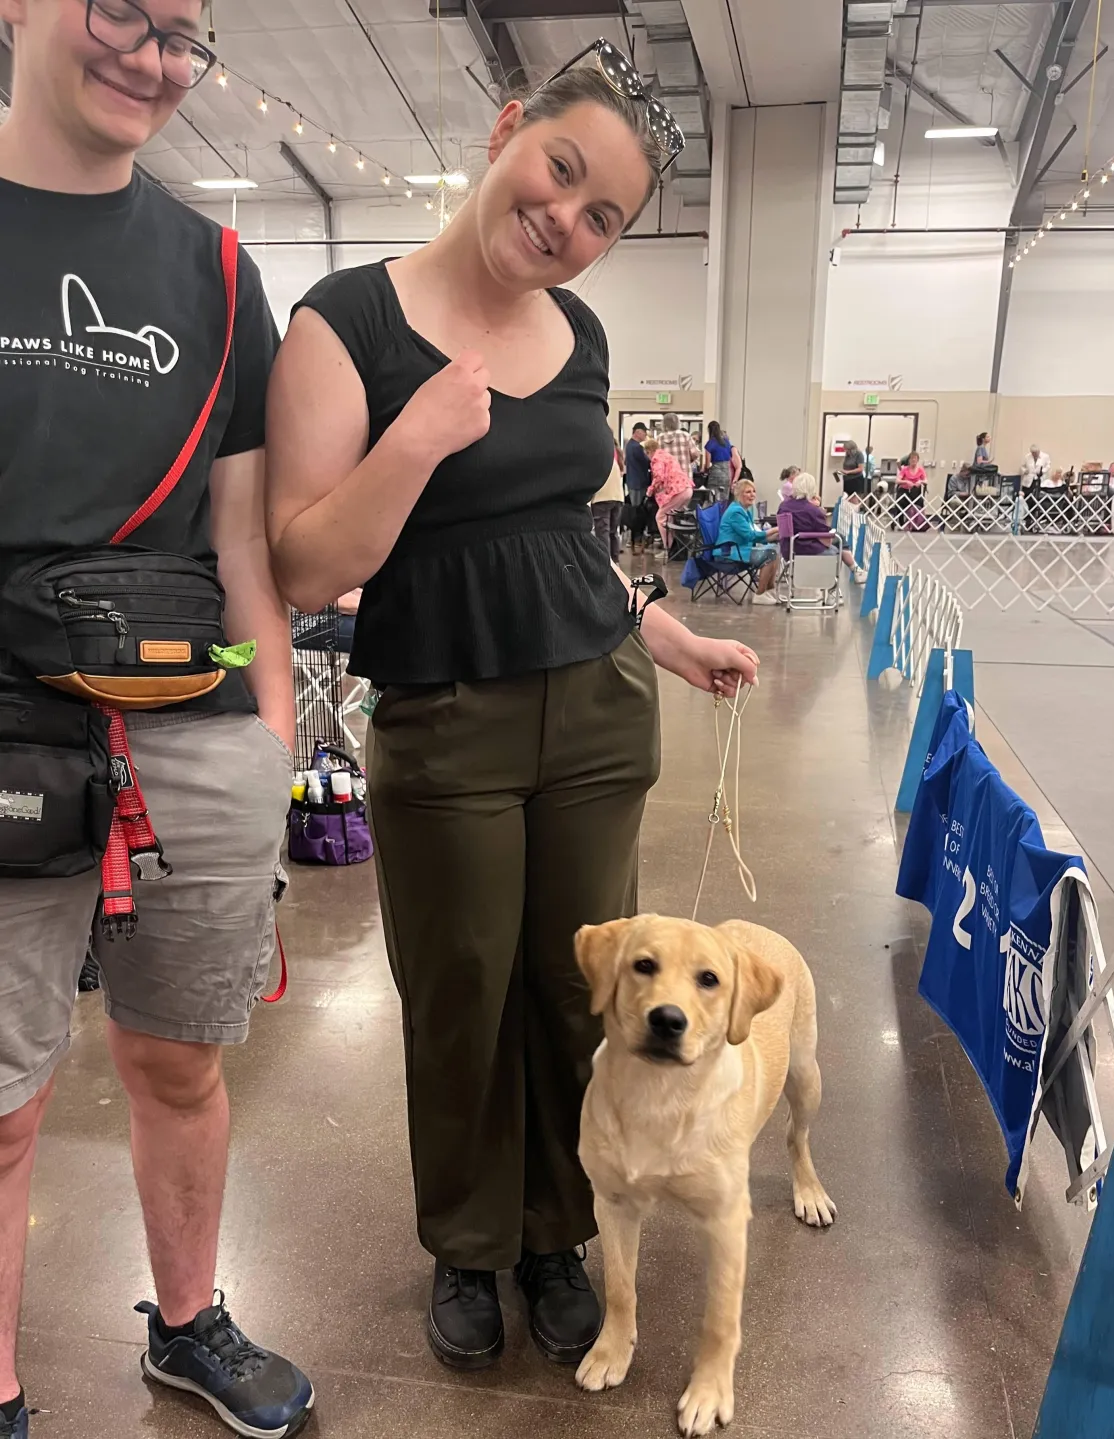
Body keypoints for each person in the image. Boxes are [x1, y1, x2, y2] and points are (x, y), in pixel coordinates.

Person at [263, 45, 758, 1378]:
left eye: (604, 217)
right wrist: (415, 436)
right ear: (506, 131)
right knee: (460, 989)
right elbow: (304, 563)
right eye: (562, 170)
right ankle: (469, 1240)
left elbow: (564, 543)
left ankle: (556, 1230)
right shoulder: (344, 322)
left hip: (597, 705)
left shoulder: (578, 336)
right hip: (444, 711)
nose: (566, 220)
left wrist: (670, 636)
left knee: (578, 984)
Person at [0, 4, 312, 1438]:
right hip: (6, 727)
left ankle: (188, 1322)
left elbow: (242, 540)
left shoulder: (221, 274)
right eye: (122, 9)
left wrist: (269, 724)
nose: (155, 58)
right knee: (3, 1105)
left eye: (186, 33)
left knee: (180, 1060)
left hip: (194, 722)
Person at [718, 477, 780, 603]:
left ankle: (770, 591)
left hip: (742, 548)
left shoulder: (746, 510)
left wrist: (776, 536)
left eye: (754, 491)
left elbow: (755, 534)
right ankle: (760, 594)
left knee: (775, 549)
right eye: (748, 492)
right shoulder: (735, 512)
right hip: (729, 551)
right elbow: (750, 536)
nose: (752, 495)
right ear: (739, 494)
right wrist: (775, 529)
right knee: (770, 554)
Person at [776, 472, 854, 570]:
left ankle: (854, 568)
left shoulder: (783, 506)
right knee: (835, 548)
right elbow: (827, 541)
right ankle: (853, 569)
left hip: (788, 550)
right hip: (807, 551)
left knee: (837, 540)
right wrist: (821, 512)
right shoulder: (812, 510)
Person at [645, 435, 693, 551]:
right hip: (687, 489)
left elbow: (659, 477)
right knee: (670, 518)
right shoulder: (667, 455)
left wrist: (650, 490)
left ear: (649, 451)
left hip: (678, 491)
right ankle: (676, 548)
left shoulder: (656, 458)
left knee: (660, 517)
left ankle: (669, 548)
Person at [591, 441, 624, 562]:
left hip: (602, 499)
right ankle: (615, 561)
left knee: (602, 532)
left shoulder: (597, 460)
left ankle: (605, 562)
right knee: (613, 532)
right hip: (618, 498)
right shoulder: (614, 460)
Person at [622, 421, 651, 554]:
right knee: (638, 513)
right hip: (639, 484)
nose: (645, 435)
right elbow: (647, 462)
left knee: (634, 511)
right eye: (644, 433)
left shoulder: (629, 446)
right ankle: (637, 539)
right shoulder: (637, 447)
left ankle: (633, 539)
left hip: (632, 483)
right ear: (638, 432)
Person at [703, 420, 738, 501]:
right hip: (726, 473)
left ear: (709, 430)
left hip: (715, 474)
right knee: (724, 500)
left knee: (712, 499)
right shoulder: (727, 442)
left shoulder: (710, 443)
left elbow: (707, 465)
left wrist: (704, 469)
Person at [657, 411, 699, 478]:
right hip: (684, 476)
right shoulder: (685, 435)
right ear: (677, 423)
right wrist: (687, 459)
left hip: (667, 476)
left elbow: (657, 458)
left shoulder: (659, 438)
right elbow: (695, 454)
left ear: (663, 424)